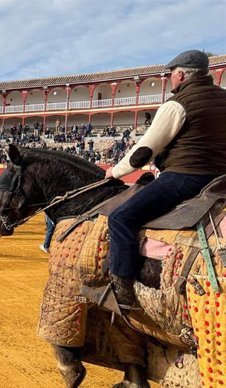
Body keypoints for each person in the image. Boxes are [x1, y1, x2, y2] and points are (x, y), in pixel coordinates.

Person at [105, 50, 226, 308]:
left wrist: (114, 172)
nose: (171, 79)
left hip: (187, 177)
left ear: (180, 74)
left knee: (120, 218)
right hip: (221, 179)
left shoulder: (177, 104)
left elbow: (144, 152)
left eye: (171, 74)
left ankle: (123, 290)